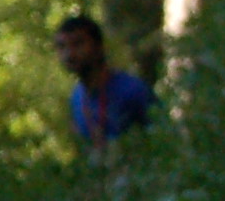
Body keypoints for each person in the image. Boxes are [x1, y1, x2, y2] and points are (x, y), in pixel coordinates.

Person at [54, 14, 155, 149]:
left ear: (98, 46)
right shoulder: (77, 97)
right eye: (62, 47)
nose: (69, 54)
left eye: (77, 44)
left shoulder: (132, 90)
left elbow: (163, 138)